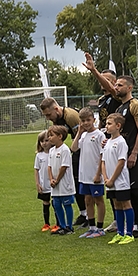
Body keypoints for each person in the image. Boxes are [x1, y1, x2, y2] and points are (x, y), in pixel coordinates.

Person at [82, 54, 121, 232]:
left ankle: (128, 219)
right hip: (105, 140)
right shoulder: (101, 100)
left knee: (117, 181)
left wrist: (94, 70)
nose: (101, 82)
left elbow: (111, 89)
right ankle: (116, 218)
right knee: (109, 183)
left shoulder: (115, 96)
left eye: (107, 80)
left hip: (116, 141)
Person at [40, 97, 86, 227]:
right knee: (77, 183)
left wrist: (68, 151)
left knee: (79, 182)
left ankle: (88, 215)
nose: (48, 117)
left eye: (49, 114)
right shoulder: (56, 119)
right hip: (74, 151)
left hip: (82, 151)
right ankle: (83, 214)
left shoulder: (70, 116)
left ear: (56, 109)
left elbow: (81, 135)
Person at [71, 107, 107, 238]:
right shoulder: (84, 135)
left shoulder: (99, 135)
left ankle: (100, 227)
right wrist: (79, 133)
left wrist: (99, 174)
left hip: (95, 174)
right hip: (84, 175)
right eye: (83, 121)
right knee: (87, 200)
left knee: (98, 200)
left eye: (88, 120)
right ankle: (91, 227)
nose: (86, 123)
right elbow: (74, 148)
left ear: (94, 120)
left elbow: (102, 155)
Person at [101, 113, 135, 245]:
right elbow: (103, 161)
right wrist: (105, 178)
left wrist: (112, 179)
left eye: (109, 124)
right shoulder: (108, 142)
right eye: (106, 124)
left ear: (118, 126)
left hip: (120, 181)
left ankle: (129, 234)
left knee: (126, 204)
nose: (106, 126)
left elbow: (121, 163)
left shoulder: (121, 142)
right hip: (110, 182)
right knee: (116, 205)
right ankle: (119, 233)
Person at [47, 125, 76, 235]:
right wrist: (51, 179)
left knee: (66, 204)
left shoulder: (65, 150)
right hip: (54, 184)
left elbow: (64, 167)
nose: (49, 138)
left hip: (64, 183)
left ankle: (69, 227)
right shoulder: (51, 151)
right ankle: (62, 225)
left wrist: (57, 180)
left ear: (60, 136)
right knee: (56, 204)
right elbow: (49, 166)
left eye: (51, 135)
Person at [34, 130, 53, 232]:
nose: (44, 143)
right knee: (46, 202)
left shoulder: (54, 152)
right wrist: (37, 183)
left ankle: (59, 223)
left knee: (56, 203)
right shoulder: (39, 156)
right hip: (44, 184)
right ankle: (46, 223)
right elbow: (36, 170)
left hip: (53, 183)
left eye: (46, 140)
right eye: (42, 141)